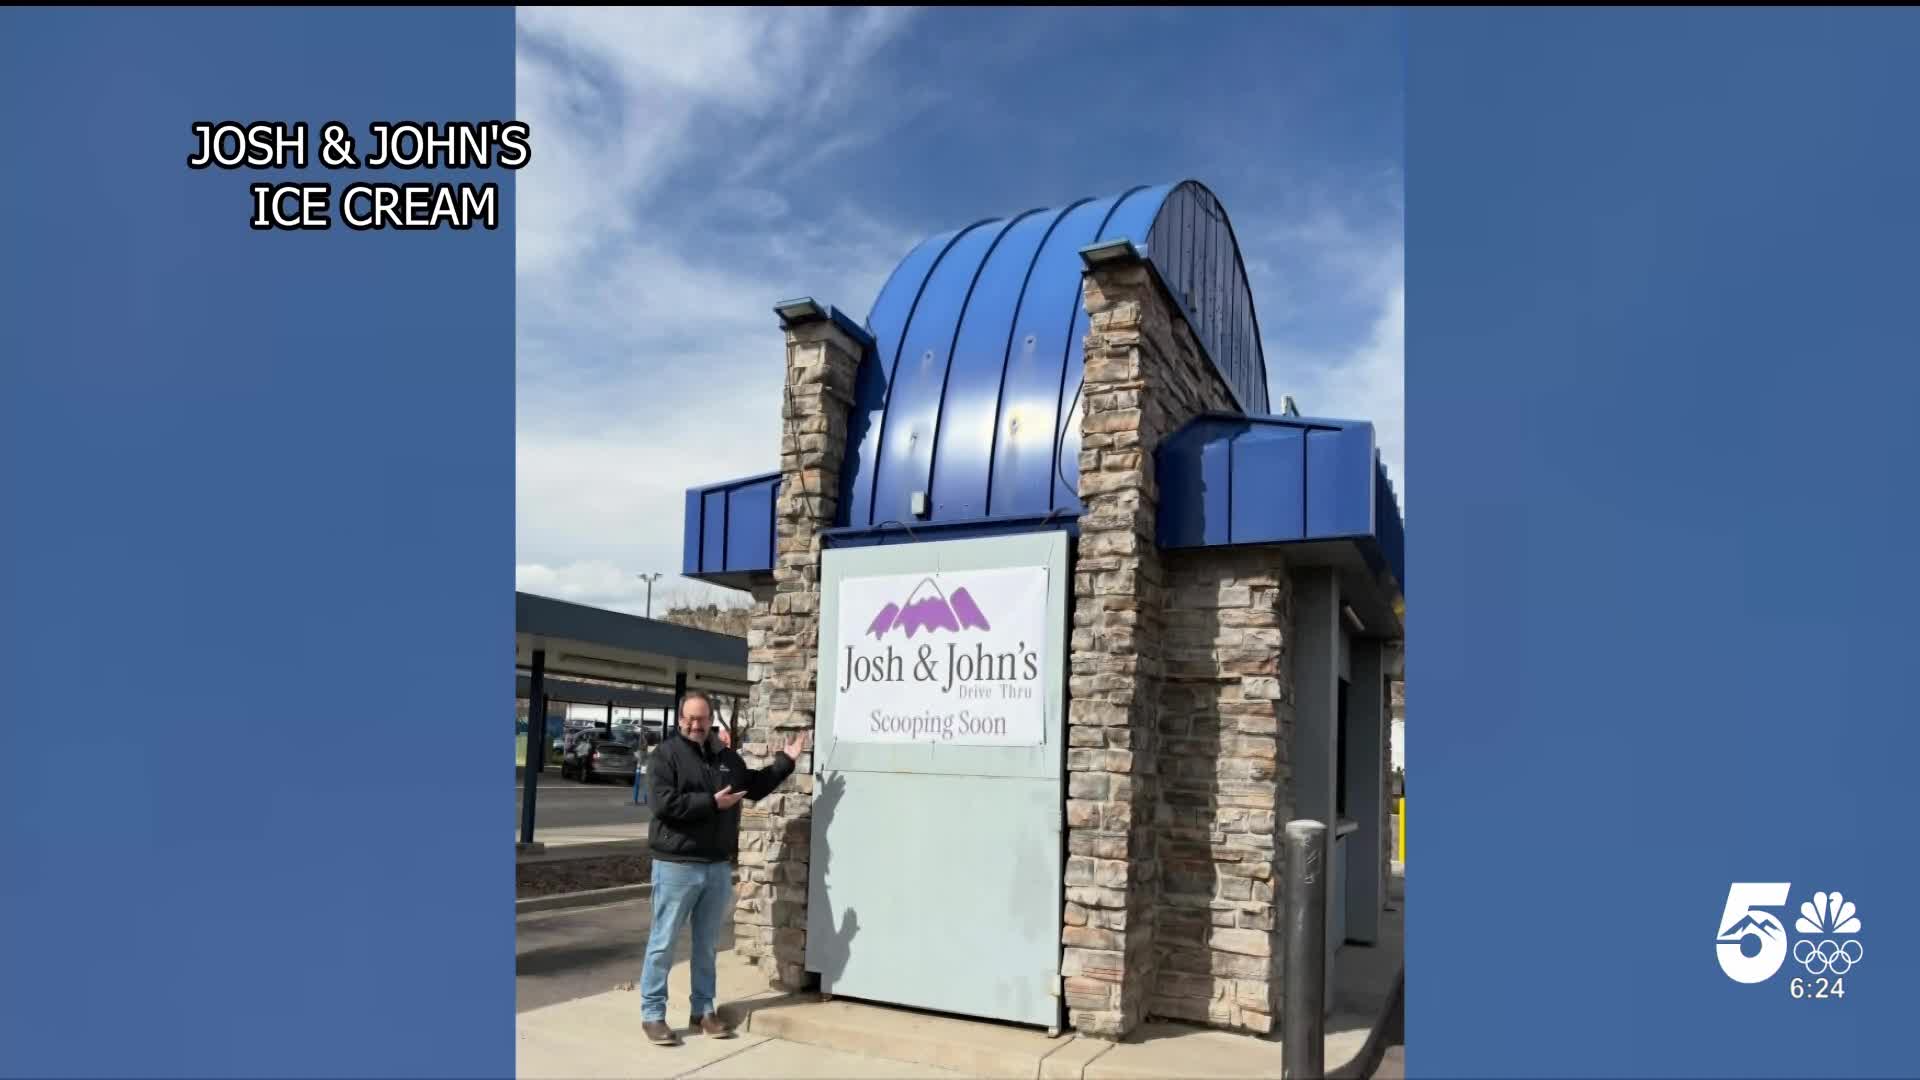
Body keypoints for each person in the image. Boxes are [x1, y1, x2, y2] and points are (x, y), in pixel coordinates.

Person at [638, 691, 809, 1046]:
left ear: (710, 720)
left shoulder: (726, 759)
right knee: (663, 943)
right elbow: (663, 804)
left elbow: (754, 786)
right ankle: (652, 1014)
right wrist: (711, 803)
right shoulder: (665, 756)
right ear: (680, 719)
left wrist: (785, 762)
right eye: (689, 718)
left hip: (716, 868)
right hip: (676, 866)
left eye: (701, 719)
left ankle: (703, 1010)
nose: (694, 725)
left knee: (706, 946)